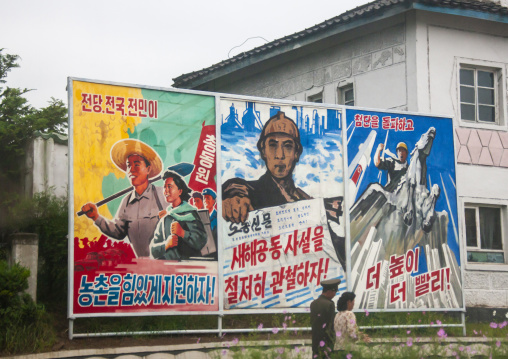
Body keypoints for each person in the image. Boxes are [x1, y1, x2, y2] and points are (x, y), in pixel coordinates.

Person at [222, 111, 311, 223]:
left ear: (296, 153)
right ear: (263, 151)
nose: (280, 155)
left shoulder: (304, 199)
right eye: (273, 145)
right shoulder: (253, 191)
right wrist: (234, 197)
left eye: (288, 146)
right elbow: (236, 187)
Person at [81, 139, 164, 258]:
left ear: (148, 169)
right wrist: (95, 217)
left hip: (168, 265)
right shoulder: (127, 202)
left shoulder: (163, 195)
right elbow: (118, 232)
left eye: (137, 164)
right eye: (129, 166)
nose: (132, 169)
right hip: (143, 268)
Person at [150, 169, 207, 260]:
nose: (166, 191)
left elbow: (201, 241)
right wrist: (166, 244)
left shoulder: (191, 214)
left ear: (180, 191)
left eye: (170, 187)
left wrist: (183, 233)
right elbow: (153, 250)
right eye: (164, 187)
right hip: (169, 269)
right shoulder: (165, 218)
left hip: (190, 267)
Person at [310, 278, 341, 358]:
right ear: (329, 291)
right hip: (326, 343)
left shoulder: (313, 303)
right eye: (335, 292)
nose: (334, 294)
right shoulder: (329, 304)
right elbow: (330, 326)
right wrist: (332, 342)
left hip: (315, 343)